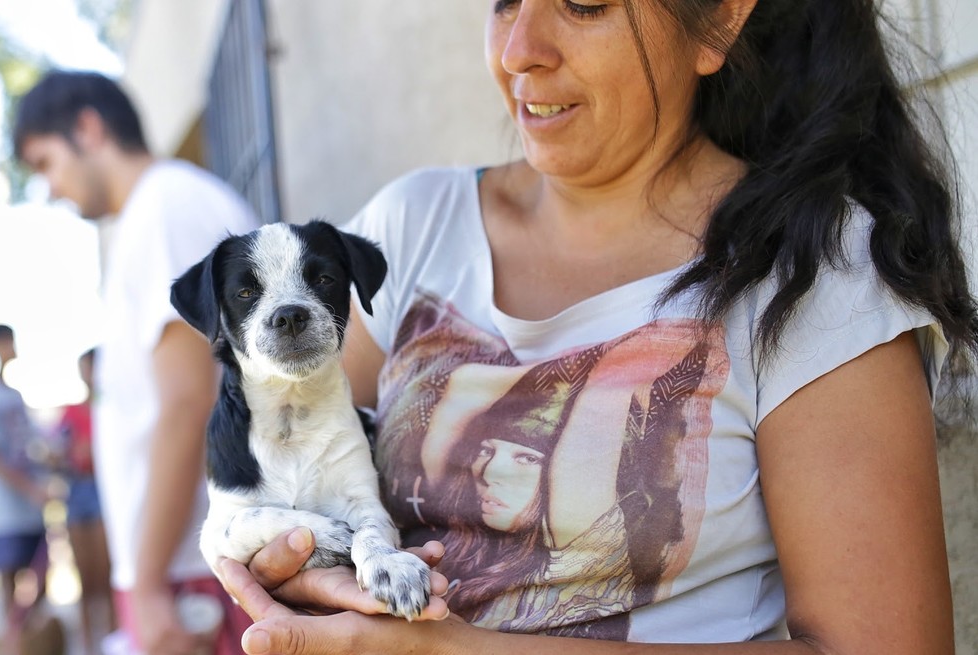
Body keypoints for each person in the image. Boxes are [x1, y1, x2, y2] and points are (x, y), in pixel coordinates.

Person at [217, 1, 978, 653]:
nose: (519, 50)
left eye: (585, 2)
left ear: (716, 19)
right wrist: (303, 567)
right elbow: (278, 469)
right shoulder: (413, 227)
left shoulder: (816, 271)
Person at [11, 69, 262, 655]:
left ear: (88, 128)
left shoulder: (165, 208)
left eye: (46, 163)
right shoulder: (162, 209)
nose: (50, 188)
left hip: (194, 567)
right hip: (188, 560)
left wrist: (147, 582)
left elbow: (186, 402)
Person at [0, 324, 51, 652]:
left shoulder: (16, 397)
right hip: (4, 512)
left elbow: (32, 446)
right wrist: (28, 489)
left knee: (41, 581)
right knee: (9, 584)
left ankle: (29, 640)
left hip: (31, 512)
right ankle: (14, 643)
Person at [51, 347, 118, 655]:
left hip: (106, 492)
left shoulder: (112, 408)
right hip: (79, 493)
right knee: (86, 577)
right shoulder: (71, 411)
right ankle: (90, 646)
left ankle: (113, 640)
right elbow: (56, 452)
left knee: (108, 575)